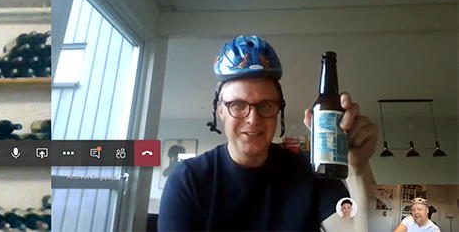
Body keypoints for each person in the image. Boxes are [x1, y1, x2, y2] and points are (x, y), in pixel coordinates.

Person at [158, 35, 377, 231]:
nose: (253, 119)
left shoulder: (310, 172)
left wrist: (358, 169)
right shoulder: (188, 180)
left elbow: (367, 229)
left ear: (278, 111)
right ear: (220, 110)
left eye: (266, 106)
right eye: (238, 105)